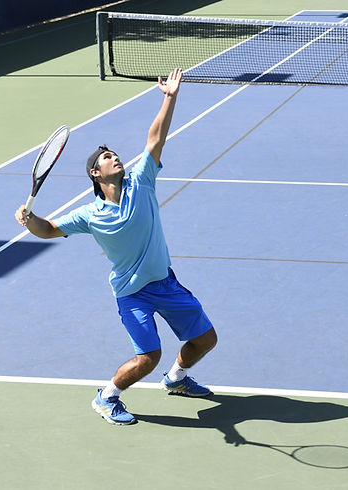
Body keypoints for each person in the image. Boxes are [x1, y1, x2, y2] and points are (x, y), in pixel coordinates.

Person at [14, 68, 218, 426]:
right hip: (132, 294)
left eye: (115, 155)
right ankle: (107, 397)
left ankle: (177, 380)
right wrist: (29, 219)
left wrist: (169, 97)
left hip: (165, 283)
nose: (116, 158)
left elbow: (155, 140)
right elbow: (47, 229)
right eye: (107, 158)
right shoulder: (89, 214)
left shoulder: (142, 183)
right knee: (147, 357)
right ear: (96, 173)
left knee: (205, 340)